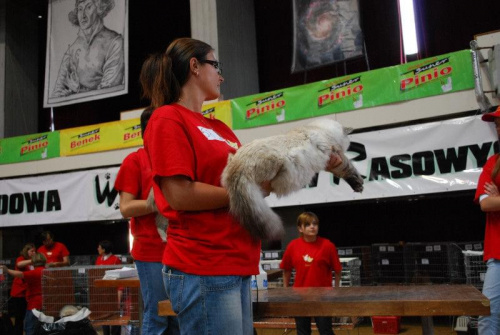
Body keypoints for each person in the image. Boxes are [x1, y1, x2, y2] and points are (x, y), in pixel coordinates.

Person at [138, 37, 264, 335]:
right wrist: (244, 193)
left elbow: (250, 179)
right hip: (203, 266)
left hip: (237, 262)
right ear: (194, 66)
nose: (220, 75)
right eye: (215, 64)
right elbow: (179, 194)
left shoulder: (219, 127)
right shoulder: (167, 117)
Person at [114, 107, 179, 335]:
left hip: (179, 249)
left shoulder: (174, 159)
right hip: (151, 252)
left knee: (177, 315)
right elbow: (125, 208)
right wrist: (155, 203)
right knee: (157, 314)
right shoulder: (135, 161)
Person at [280, 212, 342, 335]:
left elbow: (338, 270)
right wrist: (286, 290)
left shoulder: (327, 246)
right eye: (307, 224)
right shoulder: (293, 246)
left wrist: (336, 290)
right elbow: (286, 269)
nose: (312, 227)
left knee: (325, 330)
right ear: (300, 228)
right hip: (300, 296)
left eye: (315, 224)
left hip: (323, 296)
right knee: (302, 332)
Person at [51, 0, 124, 98]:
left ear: (99, 8)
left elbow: (109, 91)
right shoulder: (71, 50)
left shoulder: (115, 42)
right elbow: (57, 92)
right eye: (80, 9)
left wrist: (76, 92)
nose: (83, 15)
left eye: (88, 7)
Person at [474, 106, 500, 335]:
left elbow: (494, 202)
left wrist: (499, 197)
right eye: (497, 124)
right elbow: (486, 204)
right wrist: (494, 200)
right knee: (487, 317)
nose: (499, 128)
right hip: (497, 255)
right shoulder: (493, 163)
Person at [1, 252, 47, 335]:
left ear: (33, 262)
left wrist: (7, 270)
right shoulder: (47, 271)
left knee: (29, 327)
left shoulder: (35, 272)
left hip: (34, 305)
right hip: (46, 303)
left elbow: (20, 274)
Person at [95, 240, 122, 335]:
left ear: (104, 249)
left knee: (114, 317)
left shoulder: (115, 260)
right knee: (104, 317)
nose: (98, 249)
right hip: (102, 294)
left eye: (99, 247)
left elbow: (119, 278)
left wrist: (119, 293)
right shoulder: (98, 259)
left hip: (113, 293)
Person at [8, 243, 36, 335]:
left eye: (34, 251)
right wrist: (32, 260)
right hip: (19, 293)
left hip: (30, 294)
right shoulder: (21, 259)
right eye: (32, 251)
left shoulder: (34, 262)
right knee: (19, 318)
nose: (34, 252)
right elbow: (19, 265)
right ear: (26, 251)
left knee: (29, 317)